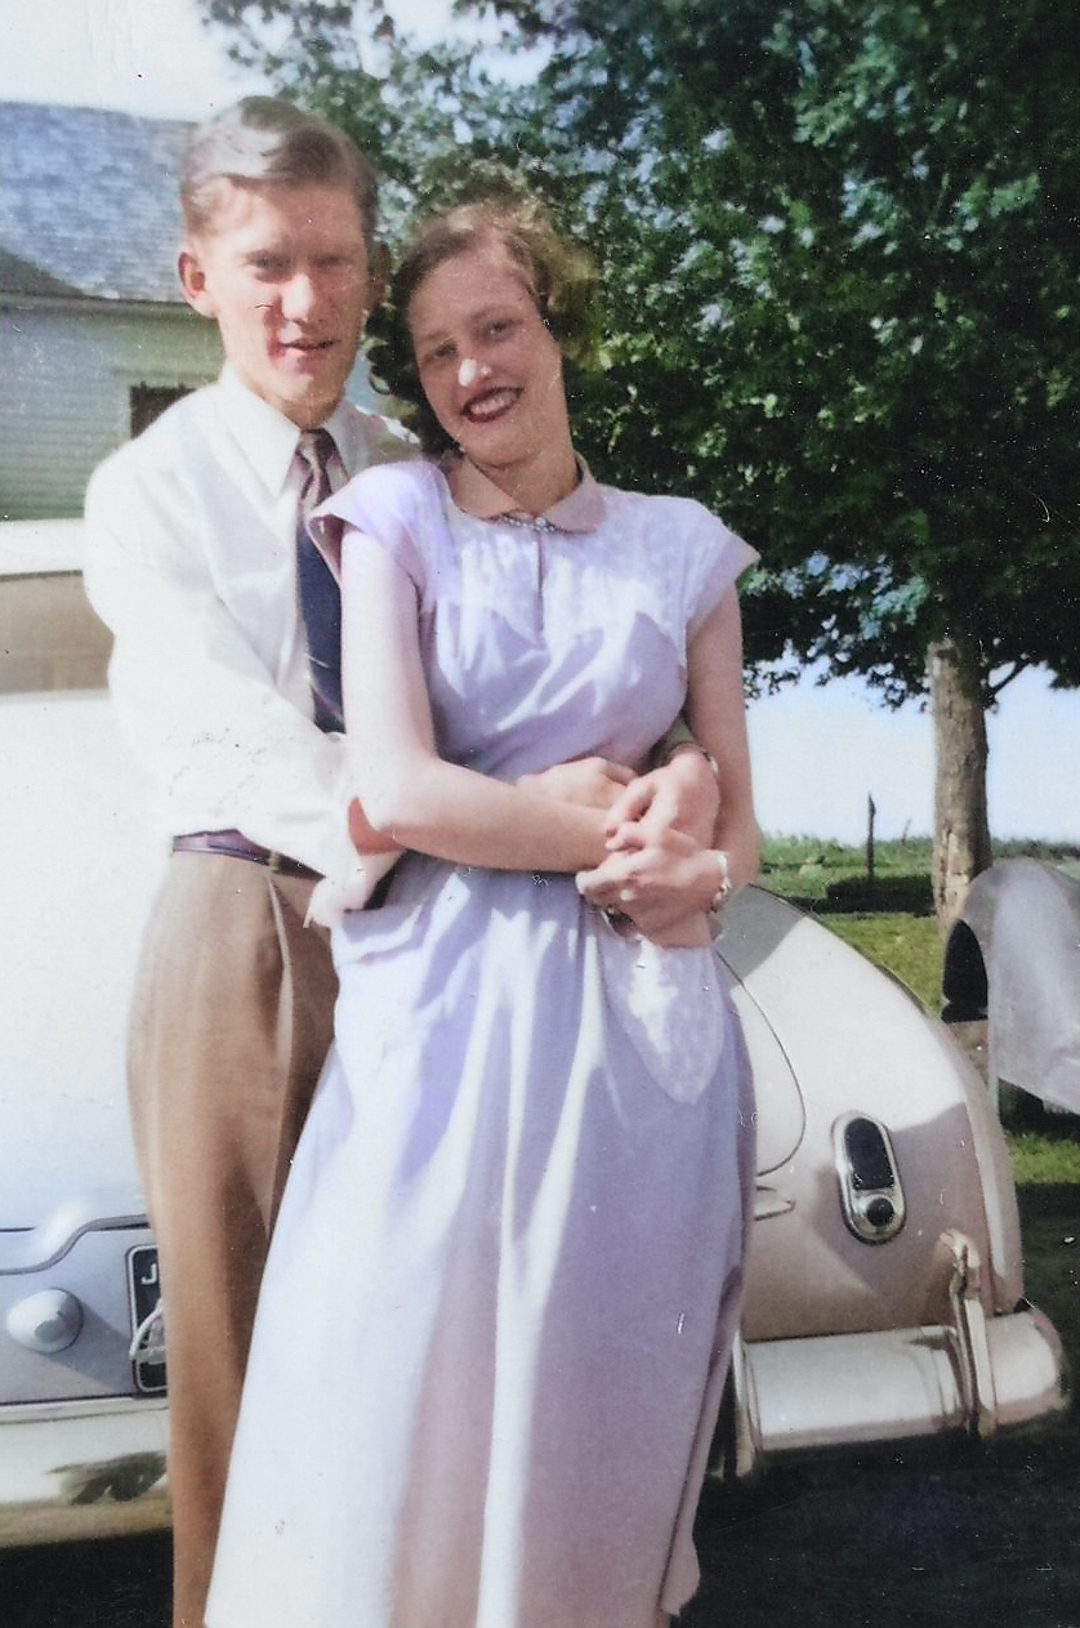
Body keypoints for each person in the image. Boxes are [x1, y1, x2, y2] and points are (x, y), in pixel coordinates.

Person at [83, 104, 721, 1628]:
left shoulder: (424, 465)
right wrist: (522, 815)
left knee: (430, 1379)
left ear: (372, 275)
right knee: (255, 1389)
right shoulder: (147, 494)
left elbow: (589, 648)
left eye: (334, 260)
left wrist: (675, 777)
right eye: (264, 266)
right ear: (194, 278)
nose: (304, 302)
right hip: (255, 932)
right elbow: (254, 751)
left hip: (468, 951)